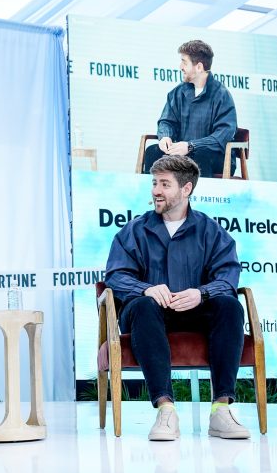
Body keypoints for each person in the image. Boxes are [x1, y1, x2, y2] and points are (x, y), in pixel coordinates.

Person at [105, 155, 249, 440]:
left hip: (195, 313)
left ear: (186, 189)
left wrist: (201, 293)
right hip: (148, 315)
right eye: (155, 183)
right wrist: (145, 288)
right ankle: (165, 410)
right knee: (145, 306)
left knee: (230, 306)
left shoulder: (210, 231)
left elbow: (228, 276)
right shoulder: (134, 230)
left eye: (165, 184)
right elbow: (115, 276)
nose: (156, 190)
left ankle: (221, 409)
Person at [143, 40, 237, 178]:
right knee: (153, 151)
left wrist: (191, 146)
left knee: (199, 157)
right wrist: (165, 137)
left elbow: (223, 134)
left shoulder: (221, 95)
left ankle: (201, 199)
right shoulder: (177, 93)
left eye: (184, 62)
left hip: (214, 156)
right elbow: (166, 121)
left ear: (199, 67)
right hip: (183, 153)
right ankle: (156, 197)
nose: (180, 66)